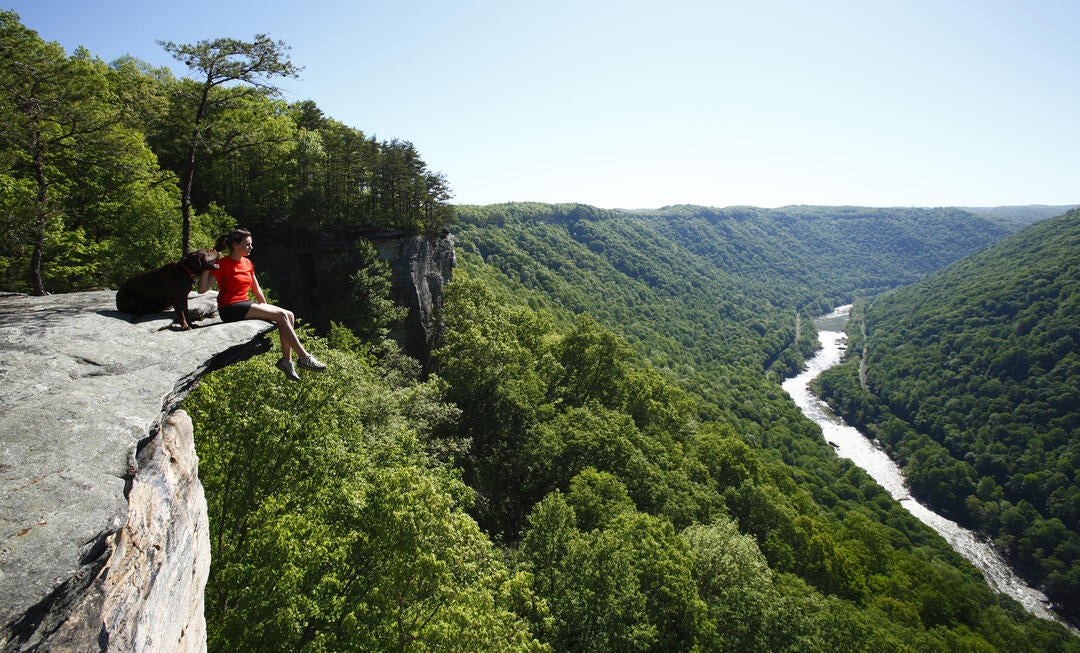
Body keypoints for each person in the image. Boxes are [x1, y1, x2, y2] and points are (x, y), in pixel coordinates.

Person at [198, 228, 326, 381]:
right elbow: (202, 289)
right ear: (235, 245)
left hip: (244, 303)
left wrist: (266, 308)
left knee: (289, 315)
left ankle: (287, 361)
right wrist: (206, 267)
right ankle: (304, 357)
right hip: (230, 307)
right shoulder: (222, 264)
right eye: (247, 244)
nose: (251, 247)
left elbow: (256, 288)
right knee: (281, 316)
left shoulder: (247, 263)